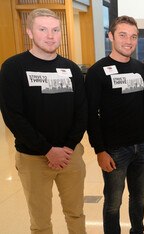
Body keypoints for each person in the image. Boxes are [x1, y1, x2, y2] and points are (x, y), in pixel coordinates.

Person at [0, 8, 87, 234]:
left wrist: (67, 147)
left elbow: (82, 112)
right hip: (33, 157)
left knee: (76, 214)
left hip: (71, 155)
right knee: (40, 222)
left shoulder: (71, 69)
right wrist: (48, 150)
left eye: (55, 30)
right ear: (29, 32)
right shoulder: (13, 67)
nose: (50, 35)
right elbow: (13, 116)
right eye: (43, 29)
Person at [85, 16, 144, 234]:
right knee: (113, 202)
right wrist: (100, 150)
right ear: (110, 36)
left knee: (139, 198)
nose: (128, 40)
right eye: (122, 35)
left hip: (141, 148)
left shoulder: (141, 69)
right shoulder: (97, 72)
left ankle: (137, 230)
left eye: (133, 36)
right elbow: (91, 115)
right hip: (114, 150)